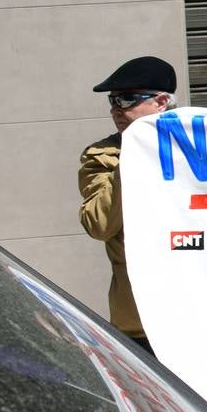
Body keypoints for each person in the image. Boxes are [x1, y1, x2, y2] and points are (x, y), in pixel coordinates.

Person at [79, 56, 178, 356]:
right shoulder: (102, 155)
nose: (115, 109)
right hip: (139, 319)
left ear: (161, 102)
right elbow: (98, 224)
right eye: (113, 100)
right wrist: (130, 160)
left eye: (127, 100)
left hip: (199, 311)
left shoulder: (199, 142)